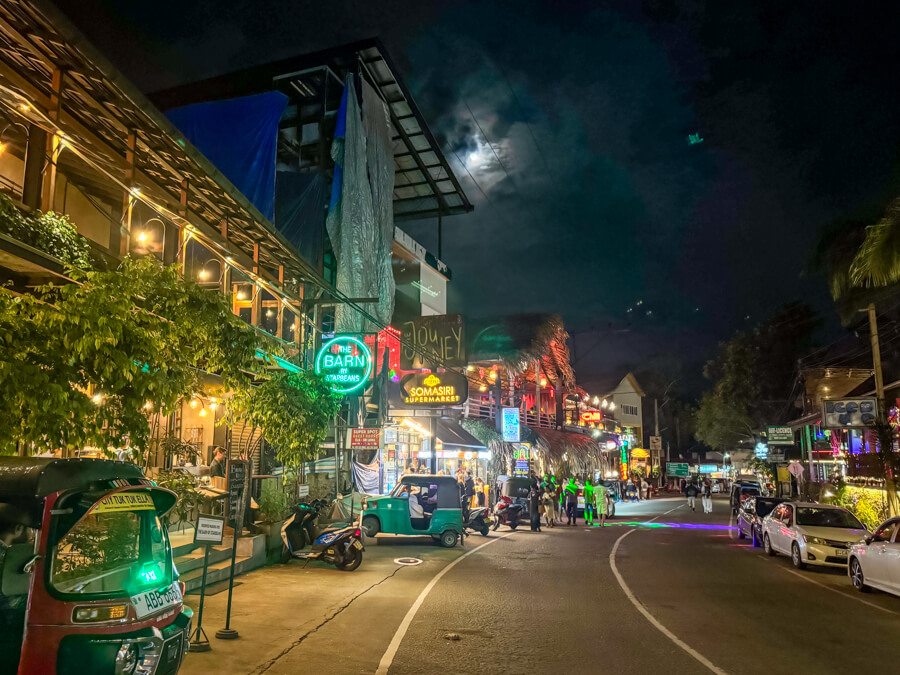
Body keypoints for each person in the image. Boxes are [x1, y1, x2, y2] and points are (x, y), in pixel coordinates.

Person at [0, 505, 32, 675]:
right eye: (29, 529)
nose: (31, 534)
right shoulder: (10, 557)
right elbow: (11, 603)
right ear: (18, 528)